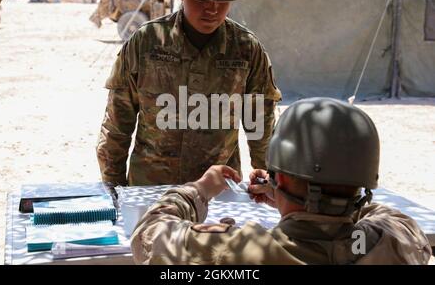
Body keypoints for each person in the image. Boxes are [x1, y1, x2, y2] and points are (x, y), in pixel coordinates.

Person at [130, 97, 432, 264]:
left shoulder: (234, 254)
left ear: (282, 179)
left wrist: (199, 190)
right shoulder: (394, 243)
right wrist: (307, 202)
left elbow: (148, 236)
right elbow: (391, 219)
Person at [97, 0, 282, 186]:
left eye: (222, 0)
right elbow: (117, 126)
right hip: (153, 188)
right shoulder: (145, 43)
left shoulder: (246, 49)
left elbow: (260, 125)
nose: (212, 9)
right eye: (201, 0)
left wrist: (269, 178)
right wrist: (114, 189)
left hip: (219, 191)